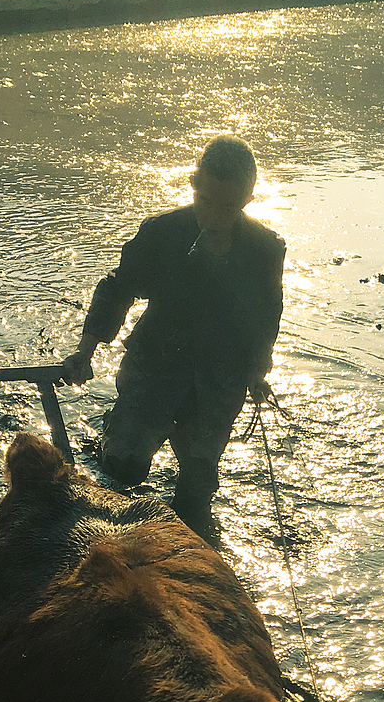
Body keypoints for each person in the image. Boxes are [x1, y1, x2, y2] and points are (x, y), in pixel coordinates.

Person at [62, 136, 285, 537]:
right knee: (121, 472)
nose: (215, 216)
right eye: (206, 202)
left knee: (196, 494)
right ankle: (116, 443)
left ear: (248, 200)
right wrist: (86, 349)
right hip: (155, 366)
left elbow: (266, 314)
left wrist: (257, 368)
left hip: (220, 379)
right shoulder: (162, 233)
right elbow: (118, 287)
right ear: (193, 185)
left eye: (228, 207)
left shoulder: (264, 249)